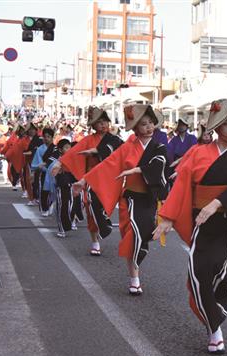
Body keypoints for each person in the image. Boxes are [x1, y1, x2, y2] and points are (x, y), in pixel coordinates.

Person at [153, 99, 227, 354]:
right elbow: (182, 186)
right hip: (202, 223)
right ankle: (215, 327)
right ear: (217, 127)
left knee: (224, 276)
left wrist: (218, 203)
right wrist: (167, 217)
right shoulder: (198, 153)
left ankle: (216, 323)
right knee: (198, 276)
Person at [75, 105, 168, 295]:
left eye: (151, 123)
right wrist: (85, 179)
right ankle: (134, 278)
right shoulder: (127, 147)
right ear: (135, 128)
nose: (149, 127)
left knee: (143, 237)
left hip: (149, 199)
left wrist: (139, 170)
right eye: (143, 124)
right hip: (131, 199)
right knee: (133, 235)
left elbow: (160, 164)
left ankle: (135, 271)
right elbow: (107, 165)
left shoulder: (159, 147)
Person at [51, 106, 123, 255]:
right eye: (99, 122)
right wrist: (59, 163)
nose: (103, 125)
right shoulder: (88, 139)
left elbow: (122, 152)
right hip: (91, 178)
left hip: (109, 179)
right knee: (90, 207)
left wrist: (97, 151)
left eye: (105, 122)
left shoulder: (115, 140)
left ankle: (104, 223)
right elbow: (72, 153)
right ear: (93, 125)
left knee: (105, 206)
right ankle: (95, 241)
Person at [31, 127, 55, 216]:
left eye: (49, 137)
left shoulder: (55, 149)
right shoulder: (40, 149)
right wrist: (40, 168)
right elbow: (37, 161)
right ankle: (44, 208)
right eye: (45, 137)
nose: (46, 139)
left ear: (52, 137)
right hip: (44, 173)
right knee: (44, 191)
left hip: (53, 173)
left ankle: (51, 205)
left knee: (53, 191)